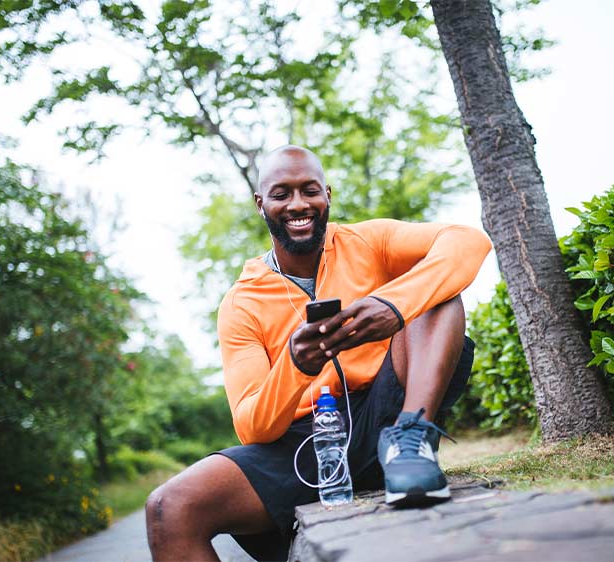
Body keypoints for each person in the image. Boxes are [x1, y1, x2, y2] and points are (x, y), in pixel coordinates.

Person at [145, 145, 492, 561]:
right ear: (261, 204)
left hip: (389, 410)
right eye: (281, 194)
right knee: (169, 508)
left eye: (309, 190)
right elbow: (252, 427)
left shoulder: (370, 241)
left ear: (327, 195)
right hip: (304, 444)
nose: (297, 204)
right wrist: (294, 367)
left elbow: (468, 241)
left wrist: (394, 305)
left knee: (438, 289)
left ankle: (411, 444)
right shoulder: (241, 303)